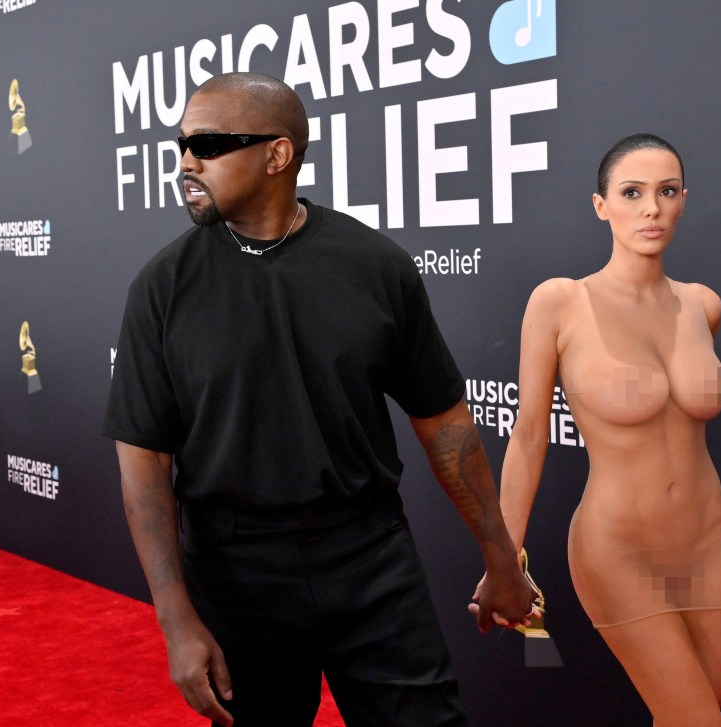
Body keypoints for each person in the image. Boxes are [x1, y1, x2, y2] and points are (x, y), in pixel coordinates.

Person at [102, 72, 536, 727]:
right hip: (234, 573)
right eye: (182, 144)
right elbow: (143, 463)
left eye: (210, 144)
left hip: (370, 560)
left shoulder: (376, 266)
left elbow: (446, 427)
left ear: (277, 155)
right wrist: (175, 617)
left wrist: (502, 558)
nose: (187, 162)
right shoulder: (161, 288)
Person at [490, 133, 721, 725]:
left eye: (667, 192)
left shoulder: (704, 306)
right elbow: (528, 435)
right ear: (602, 205)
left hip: (707, 541)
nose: (651, 209)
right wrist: (504, 559)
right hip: (618, 548)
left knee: (698, 708)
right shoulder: (560, 302)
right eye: (632, 193)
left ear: (682, 201)